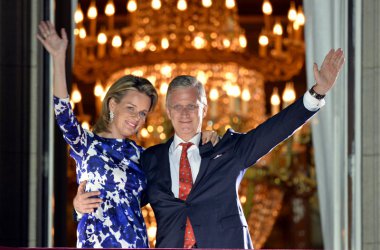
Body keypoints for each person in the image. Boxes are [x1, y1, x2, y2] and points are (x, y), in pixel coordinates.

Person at [75, 49, 345, 247]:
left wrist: (316, 94)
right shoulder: (150, 159)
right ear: (168, 111)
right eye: (177, 106)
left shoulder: (229, 148)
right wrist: (80, 206)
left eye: (192, 106)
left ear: (204, 109)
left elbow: (272, 131)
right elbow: (124, 198)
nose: (184, 113)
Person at [37, 20, 219, 248]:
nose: (137, 118)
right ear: (113, 105)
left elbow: (180, 168)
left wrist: (204, 138)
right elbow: (63, 112)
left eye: (143, 113)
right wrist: (58, 58)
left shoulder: (144, 156)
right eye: (131, 109)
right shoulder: (86, 144)